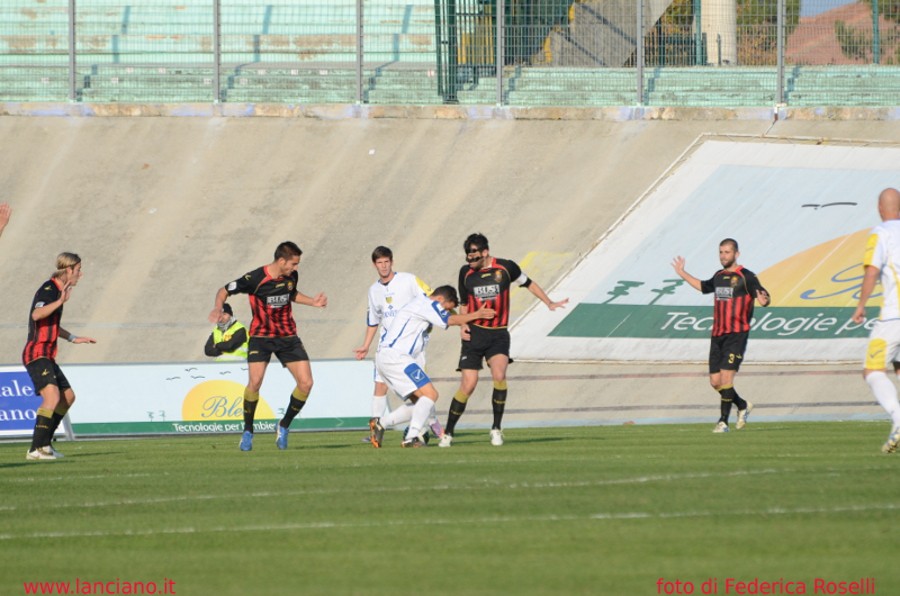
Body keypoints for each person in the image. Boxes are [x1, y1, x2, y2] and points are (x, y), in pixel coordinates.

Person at [439, 233, 569, 448]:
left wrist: (549, 302)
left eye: (474, 256)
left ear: (485, 252)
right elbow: (464, 303)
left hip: (498, 334)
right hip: (474, 334)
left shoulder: (506, 268)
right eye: (468, 257)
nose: (470, 260)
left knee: (499, 374)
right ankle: (449, 433)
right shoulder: (465, 273)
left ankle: (496, 429)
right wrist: (463, 325)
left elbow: (529, 283)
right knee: (468, 385)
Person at [209, 241, 327, 452]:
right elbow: (223, 290)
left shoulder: (290, 276)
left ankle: (283, 425)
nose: (296, 268)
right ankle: (247, 431)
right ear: (281, 261)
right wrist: (218, 308)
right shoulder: (254, 278)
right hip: (261, 337)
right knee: (255, 382)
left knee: (306, 383)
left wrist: (313, 302)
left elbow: (291, 294)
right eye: (294, 263)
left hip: (287, 337)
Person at [370, 286, 495, 448]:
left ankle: (382, 423)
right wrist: (476, 315)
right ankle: (412, 437)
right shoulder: (429, 304)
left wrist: (462, 320)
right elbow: (449, 320)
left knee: (420, 403)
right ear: (441, 300)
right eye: (446, 308)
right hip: (397, 357)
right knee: (431, 394)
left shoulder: (420, 302)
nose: (445, 311)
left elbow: (450, 316)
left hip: (385, 358)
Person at [671, 238, 770, 433]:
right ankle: (742, 405)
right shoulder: (719, 276)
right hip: (717, 336)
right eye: (721, 252)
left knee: (726, 378)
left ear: (736, 254)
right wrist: (682, 273)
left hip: (736, 335)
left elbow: (763, 296)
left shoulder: (746, 276)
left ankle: (723, 422)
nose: (723, 256)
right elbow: (703, 286)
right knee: (715, 382)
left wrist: (764, 300)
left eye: (727, 252)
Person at [353, 246, 436, 438]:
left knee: (419, 391)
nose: (383, 266)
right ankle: (375, 429)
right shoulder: (373, 290)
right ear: (374, 265)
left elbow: (431, 299)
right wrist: (365, 345)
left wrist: (430, 322)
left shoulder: (408, 280)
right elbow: (373, 321)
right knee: (380, 385)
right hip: (387, 348)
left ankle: (429, 424)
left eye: (386, 262)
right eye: (379, 263)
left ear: (392, 262)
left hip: (412, 346)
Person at [23, 252, 97, 461]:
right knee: (52, 398)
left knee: (68, 397)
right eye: (78, 270)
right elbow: (37, 315)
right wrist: (60, 301)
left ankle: (45, 445)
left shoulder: (58, 291)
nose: (80, 275)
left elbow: (52, 323)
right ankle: (36, 449)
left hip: (47, 354)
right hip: (36, 352)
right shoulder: (49, 289)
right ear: (68, 270)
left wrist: (73, 338)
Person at [852, 187, 900, 453]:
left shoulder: (881, 234)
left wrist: (861, 305)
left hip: (894, 316)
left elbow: (872, 271)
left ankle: (898, 420)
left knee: (872, 371)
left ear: (880, 209)